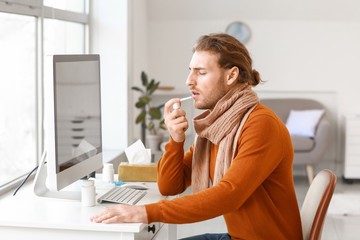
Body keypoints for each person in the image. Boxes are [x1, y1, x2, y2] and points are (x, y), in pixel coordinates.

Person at [91, 33, 303, 240]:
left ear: (231, 76)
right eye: (190, 71)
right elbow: (170, 186)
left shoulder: (261, 124)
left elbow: (229, 194)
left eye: (200, 73)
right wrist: (175, 139)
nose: (189, 81)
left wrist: (145, 212)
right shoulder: (216, 126)